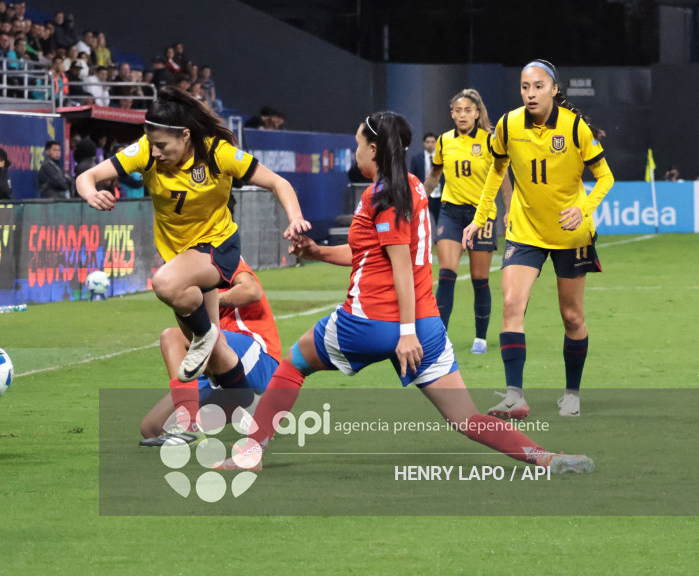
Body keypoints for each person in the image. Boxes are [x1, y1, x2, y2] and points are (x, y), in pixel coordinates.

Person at [216, 111, 594, 475]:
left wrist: (405, 332)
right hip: (426, 327)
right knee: (468, 418)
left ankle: (251, 453)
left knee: (294, 363)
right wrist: (317, 252)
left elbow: (400, 266)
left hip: (371, 322)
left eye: (358, 144)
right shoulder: (412, 186)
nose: (355, 151)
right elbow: (368, 254)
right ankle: (543, 457)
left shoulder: (382, 195)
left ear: (374, 149)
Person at [76, 86, 309, 442]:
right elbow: (86, 176)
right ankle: (207, 413)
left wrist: (295, 218)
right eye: (151, 144)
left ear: (185, 136)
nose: (155, 152)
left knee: (165, 284)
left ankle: (209, 345)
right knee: (163, 404)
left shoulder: (218, 153)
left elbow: (278, 182)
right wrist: (91, 192)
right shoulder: (146, 151)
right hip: (185, 261)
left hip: (218, 247)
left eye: (162, 145)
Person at [463, 60, 614, 419]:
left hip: (569, 234)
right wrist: (480, 218)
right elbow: (497, 169)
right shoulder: (508, 125)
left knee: (572, 316)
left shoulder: (575, 127)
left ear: (554, 89)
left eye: (538, 86)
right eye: (525, 87)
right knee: (512, 304)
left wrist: (584, 208)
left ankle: (572, 394)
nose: (530, 93)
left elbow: (605, 177)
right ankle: (515, 396)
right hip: (525, 230)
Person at [139, 257, 282, 445]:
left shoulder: (217, 254)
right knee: (152, 428)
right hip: (218, 356)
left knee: (171, 337)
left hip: (257, 351)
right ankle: (254, 411)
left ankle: (189, 424)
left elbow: (251, 291)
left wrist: (210, 302)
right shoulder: (179, 277)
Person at [424, 89, 512, 355]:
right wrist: (417, 201)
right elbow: (434, 175)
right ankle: (439, 340)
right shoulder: (444, 141)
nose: (462, 115)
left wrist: (509, 209)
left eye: (467, 111)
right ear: (452, 114)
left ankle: (480, 338)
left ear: (476, 113)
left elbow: (502, 177)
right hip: (450, 213)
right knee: (446, 275)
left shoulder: (490, 141)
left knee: (479, 279)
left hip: (481, 216)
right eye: (458, 111)